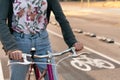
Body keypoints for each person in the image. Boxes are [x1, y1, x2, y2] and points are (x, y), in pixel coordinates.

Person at [0, 0, 83, 80]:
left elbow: (61, 17)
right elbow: (1, 20)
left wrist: (72, 42)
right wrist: (11, 47)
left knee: (52, 77)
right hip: (19, 43)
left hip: (42, 43)